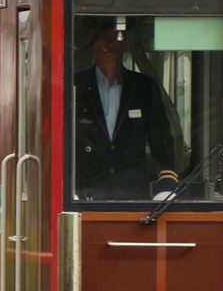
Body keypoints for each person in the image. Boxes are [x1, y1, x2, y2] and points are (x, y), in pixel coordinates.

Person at [73, 20, 179, 199]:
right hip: (85, 194)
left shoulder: (144, 87)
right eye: (102, 38)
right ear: (91, 43)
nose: (109, 45)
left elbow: (161, 141)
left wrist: (166, 186)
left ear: (126, 44)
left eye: (116, 39)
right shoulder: (75, 86)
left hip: (132, 197)